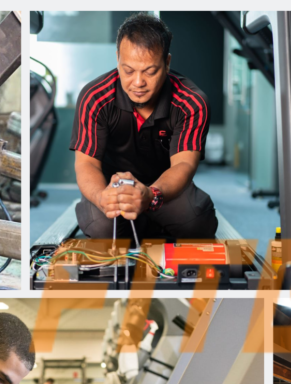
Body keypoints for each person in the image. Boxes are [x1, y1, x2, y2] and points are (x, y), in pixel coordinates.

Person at [71, 13, 217, 240]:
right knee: (102, 229)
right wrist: (101, 197)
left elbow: (184, 164)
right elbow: (86, 163)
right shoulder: (95, 97)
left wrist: (151, 195)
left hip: (166, 191)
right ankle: (140, 224)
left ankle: (148, 222)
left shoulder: (191, 102)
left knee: (197, 224)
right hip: (113, 188)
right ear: (117, 58)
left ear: (167, 63)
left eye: (150, 71)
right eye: (128, 71)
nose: (138, 82)